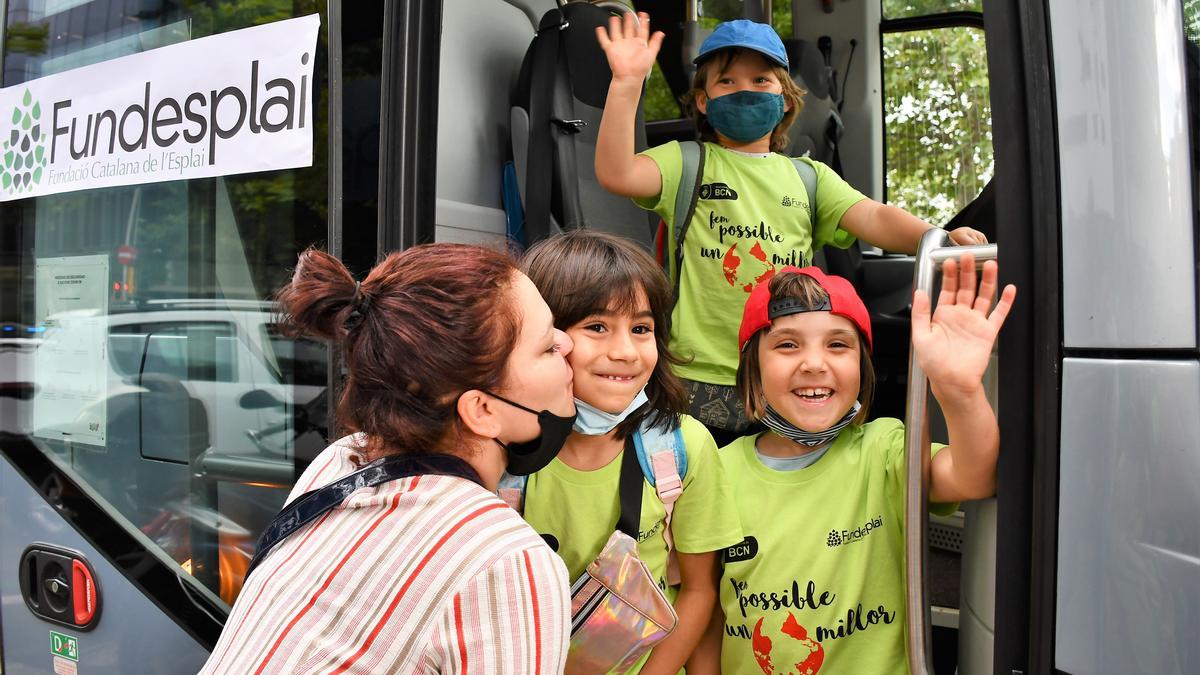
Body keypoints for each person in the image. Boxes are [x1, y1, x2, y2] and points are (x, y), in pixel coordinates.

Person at [593, 14, 988, 444]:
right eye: (727, 81)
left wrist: (935, 238)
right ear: (703, 101)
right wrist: (626, 84)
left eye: (761, 80)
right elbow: (618, 173)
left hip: (783, 370)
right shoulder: (687, 161)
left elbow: (872, 215)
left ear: (785, 99)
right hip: (695, 374)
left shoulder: (809, 178)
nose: (744, 90)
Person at [199, 244, 575, 674]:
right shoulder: (507, 561)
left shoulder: (340, 461)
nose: (569, 344)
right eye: (547, 347)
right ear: (483, 410)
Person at [687, 257, 1014, 674]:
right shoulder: (715, 471)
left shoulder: (884, 450)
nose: (814, 363)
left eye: (838, 344)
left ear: (862, 367)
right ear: (753, 369)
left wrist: (959, 391)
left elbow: (975, 475)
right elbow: (706, 610)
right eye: (787, 344)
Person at [518, 230, 743, 674]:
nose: (624, 352)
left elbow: (700, 591)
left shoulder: (681, 447)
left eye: (641, 329)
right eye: (597, 327)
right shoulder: (503, 452)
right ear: (545, 337)